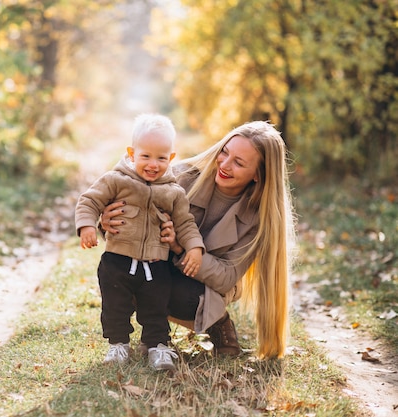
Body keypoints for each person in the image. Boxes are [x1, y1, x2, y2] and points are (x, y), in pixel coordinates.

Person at [100, 120, 296, 359]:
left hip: (206, 286)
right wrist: (106, 223)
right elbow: (126, 203)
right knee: (120, 272)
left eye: (239, 162)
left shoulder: (259, 220)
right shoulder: (179, 177)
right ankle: (156, 337)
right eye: (224, 152)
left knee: (185, 298)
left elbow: (225, 278)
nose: (224, 164)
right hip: (158, 264)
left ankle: (217, 321)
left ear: (257, 175)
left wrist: (181, 247)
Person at [75, 113, 205, 370]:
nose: (153, 164)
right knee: (115, 307)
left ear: (171, 158)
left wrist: (195, 247)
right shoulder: (116, 179)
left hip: (156, 265)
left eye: (161, 158)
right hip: (116, 261)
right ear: (132, 153)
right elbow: (89, 200)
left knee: (156, 308)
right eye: (145, 156)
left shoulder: (174, 192)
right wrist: (87, 225)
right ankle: (118, 345)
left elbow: (186, 223)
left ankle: (157, 347)